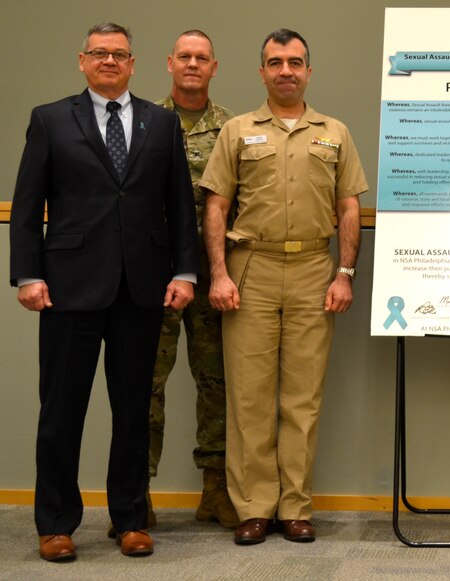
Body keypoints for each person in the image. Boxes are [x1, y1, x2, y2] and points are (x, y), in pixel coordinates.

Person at [8, 22, 199, 560]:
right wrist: (28, 274)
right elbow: (27, 205)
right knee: (61, 411)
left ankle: (131, 518)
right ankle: (56, 524)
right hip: (67, 288)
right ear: (82, 61)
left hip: (142, 288)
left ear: (134, 64)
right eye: (99, 53)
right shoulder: (50, 119)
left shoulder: (162, 124)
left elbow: (180, 206)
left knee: (134, 410)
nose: (109, 61)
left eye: (119, 54)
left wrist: (184, 272)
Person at [200, 28, 368, 546]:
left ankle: (295, 506)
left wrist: (344, 272)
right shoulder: (236, 131)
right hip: (251, 269)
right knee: (249, 397)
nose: (286, 70)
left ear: (309, 71)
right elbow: (216, 206)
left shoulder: (334, 132)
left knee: (302, 398)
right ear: (262, 72)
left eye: (295, 62)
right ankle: (254, 507)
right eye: (275, 62)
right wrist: (219, 273)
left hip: (315, 271)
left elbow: (349, 207)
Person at [142, 29, 238, 532]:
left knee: (217, 383)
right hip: (152, 277)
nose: (193, 65)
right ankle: (137, 494)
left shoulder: (233, 128)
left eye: (202, 58)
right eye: (185, 57)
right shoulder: (143, 122)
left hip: (212, 275)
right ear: (169, 63)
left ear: (214, 67)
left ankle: (215, 490)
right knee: (145, 386)